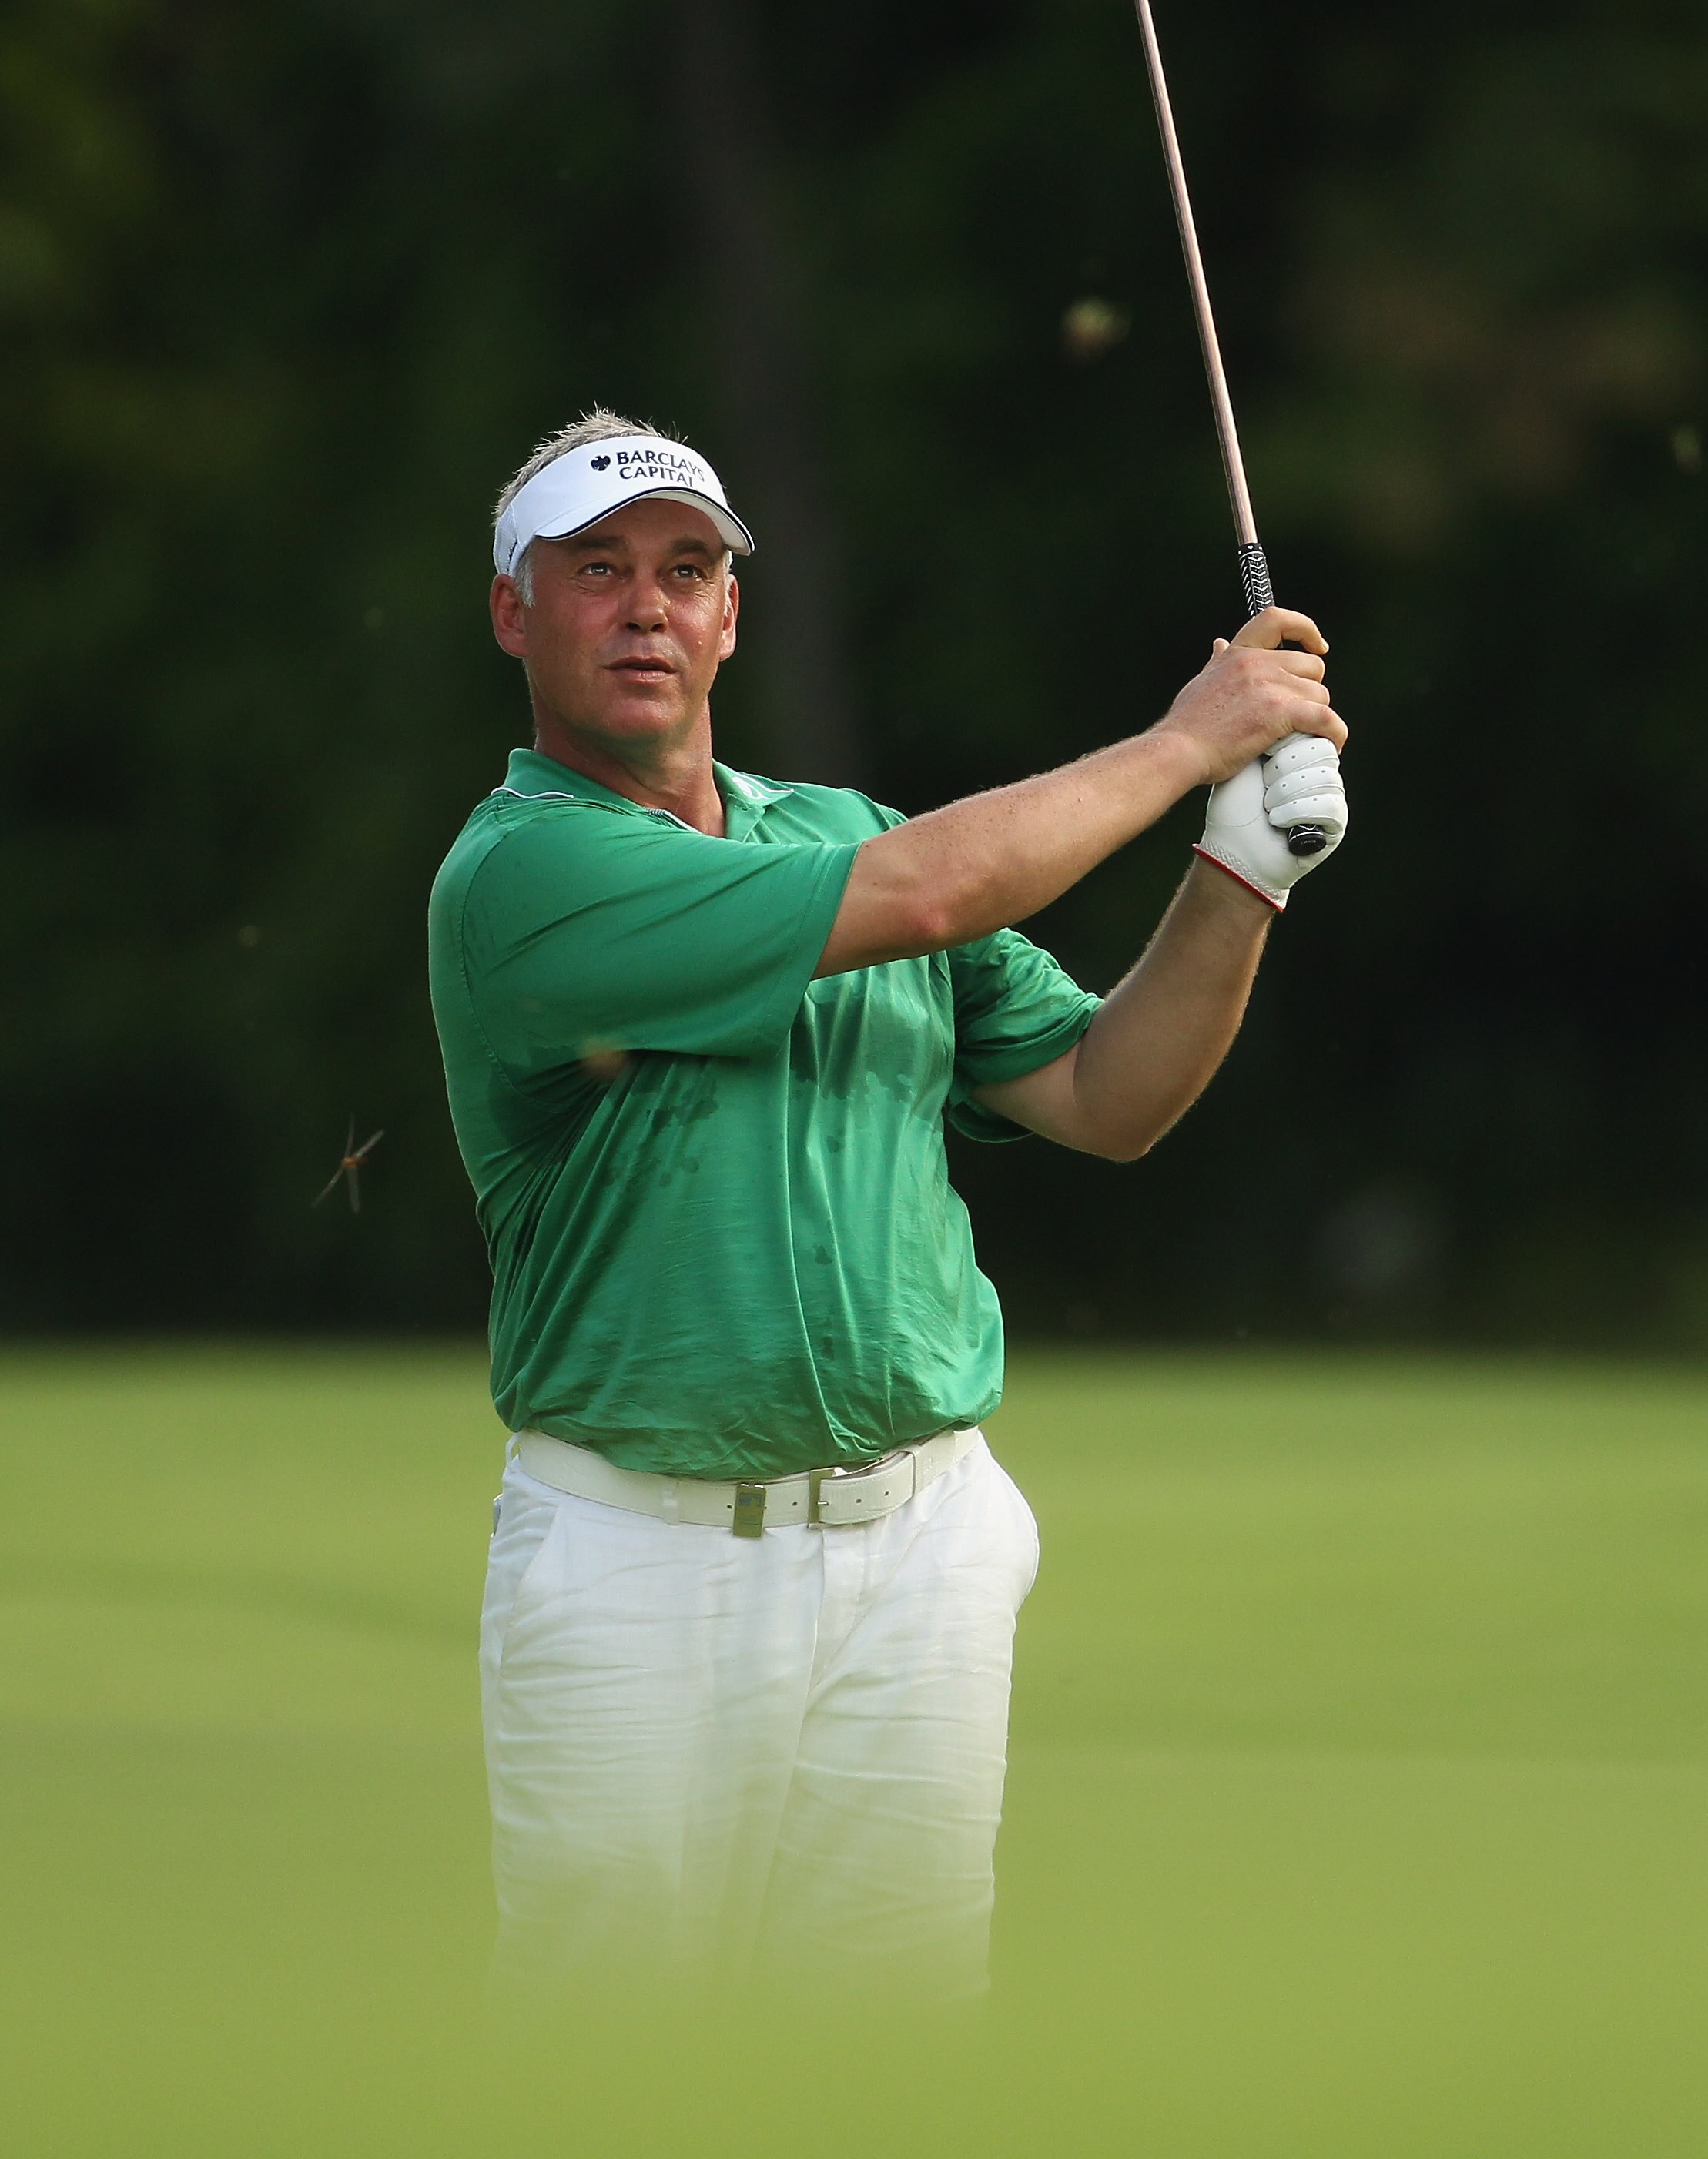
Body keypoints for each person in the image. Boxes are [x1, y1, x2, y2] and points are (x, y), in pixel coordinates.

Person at [427, 406, 1348, 1997]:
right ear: (516, 611)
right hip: (639, 1562)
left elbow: (1106, 1097)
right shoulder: (523, 875)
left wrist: (1240, 873)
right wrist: (1190, 739)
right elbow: (930, 892)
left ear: (730, 615)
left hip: (920, 1544)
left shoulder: (837, 831)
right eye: (598, 571)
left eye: (687, 570)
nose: (647, 605)